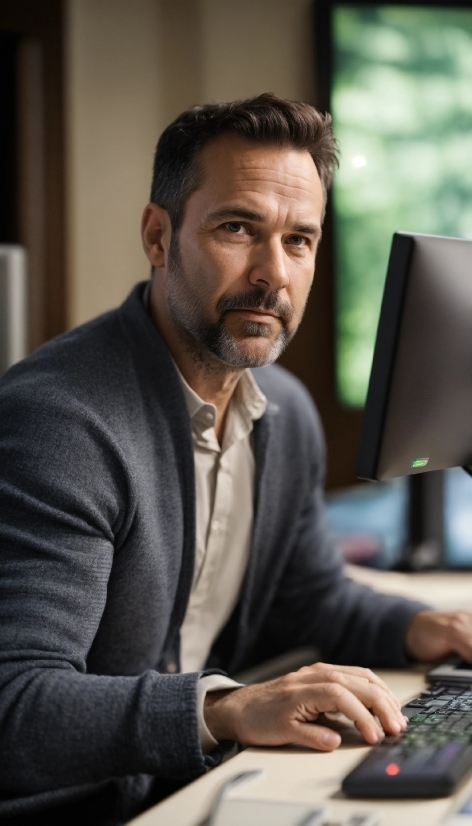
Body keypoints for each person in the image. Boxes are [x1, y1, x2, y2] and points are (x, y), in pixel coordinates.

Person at [1, 94, 472, 826]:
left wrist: (427, 628)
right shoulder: (62, 422)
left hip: (187, 791)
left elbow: (307, 599)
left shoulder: (282, 409)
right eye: (237, 228)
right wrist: (224, 708)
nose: (271, 274)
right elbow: (14, 702)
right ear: (159, 236)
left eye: (299, 241)